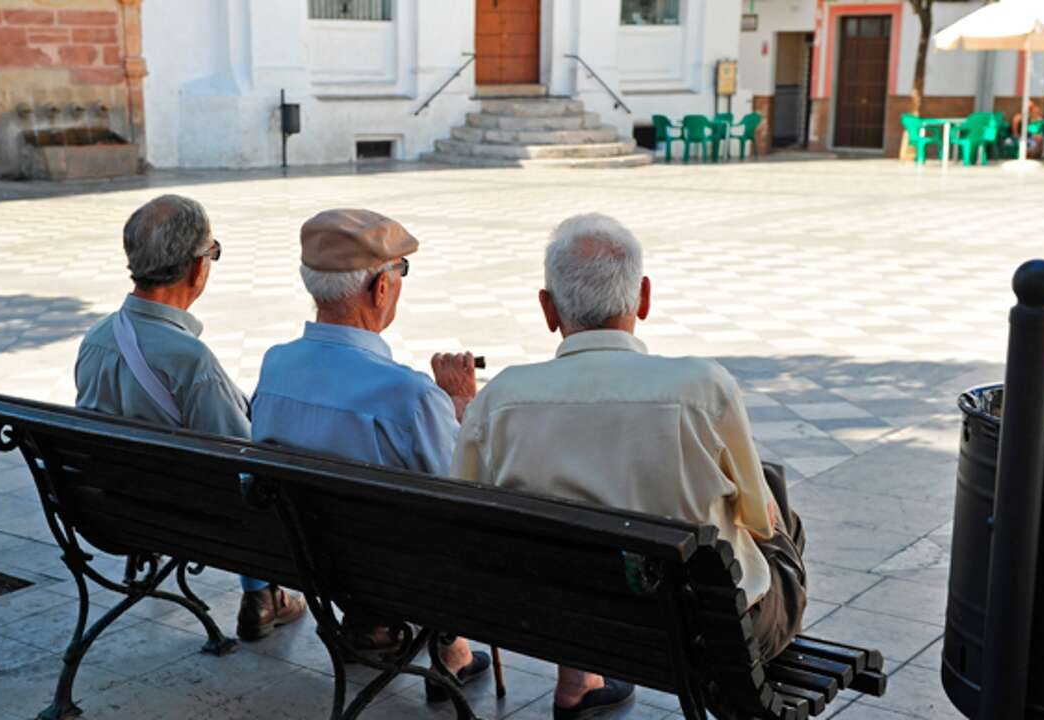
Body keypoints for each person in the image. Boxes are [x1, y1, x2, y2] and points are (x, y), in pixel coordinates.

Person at [452, 213, 807, 720]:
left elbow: (467, 521)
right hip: (702, 630)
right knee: (775, 504)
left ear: (548, 309)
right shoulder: (702, 387)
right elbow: (758, 520)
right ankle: (741, 693)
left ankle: (579, 678)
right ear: (643, 297)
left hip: (560, 616)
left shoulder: (499, 400)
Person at [251, 208, 491, 701]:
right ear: (381, 289)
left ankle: (387, 632)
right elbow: (462, 496)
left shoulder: (274, 368)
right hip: (393, 576)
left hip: (308, 561)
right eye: (400, 273)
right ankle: (452, 652)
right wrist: (461, 405)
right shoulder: (411, 396)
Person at [75, 194, 306, 642]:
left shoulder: (96, 340)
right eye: (212, 252)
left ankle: (261, 594)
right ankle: (262, 593)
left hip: (112, 510)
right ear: (198, 268)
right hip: (186, 520)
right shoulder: (191, 361)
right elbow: (246, 462)